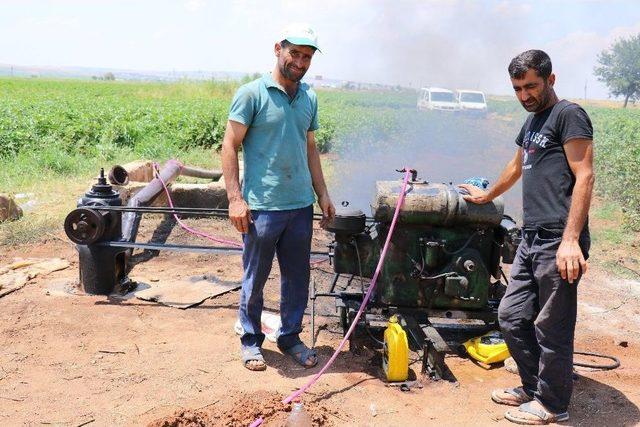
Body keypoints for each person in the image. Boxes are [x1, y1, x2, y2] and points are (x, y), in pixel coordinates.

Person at [459, 50, 594, 424]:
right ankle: (534, 387)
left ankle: (553, 404)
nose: (524, 95)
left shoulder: (569, 115)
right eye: (518, 88)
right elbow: (517, 165)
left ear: (551, 79)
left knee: (551, 324)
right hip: (531, 237)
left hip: (558, 240)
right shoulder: (534, 121)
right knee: (511, 315)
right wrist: (486, 196)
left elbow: (585, 175)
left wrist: (571, 239)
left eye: (531, 86)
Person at [221, 23, 335, 372]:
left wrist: (323, 195)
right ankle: (251, 341)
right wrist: (235, 199)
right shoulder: (252, 94)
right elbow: (229, 145)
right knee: (255, 277)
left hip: (299, 206)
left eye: (307, 57)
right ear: (277, 49)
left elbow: (310, 148)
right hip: (262, 208)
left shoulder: (309, 97)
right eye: (295, 54)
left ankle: (289, 337)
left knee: (297, 277)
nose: (300, 62)